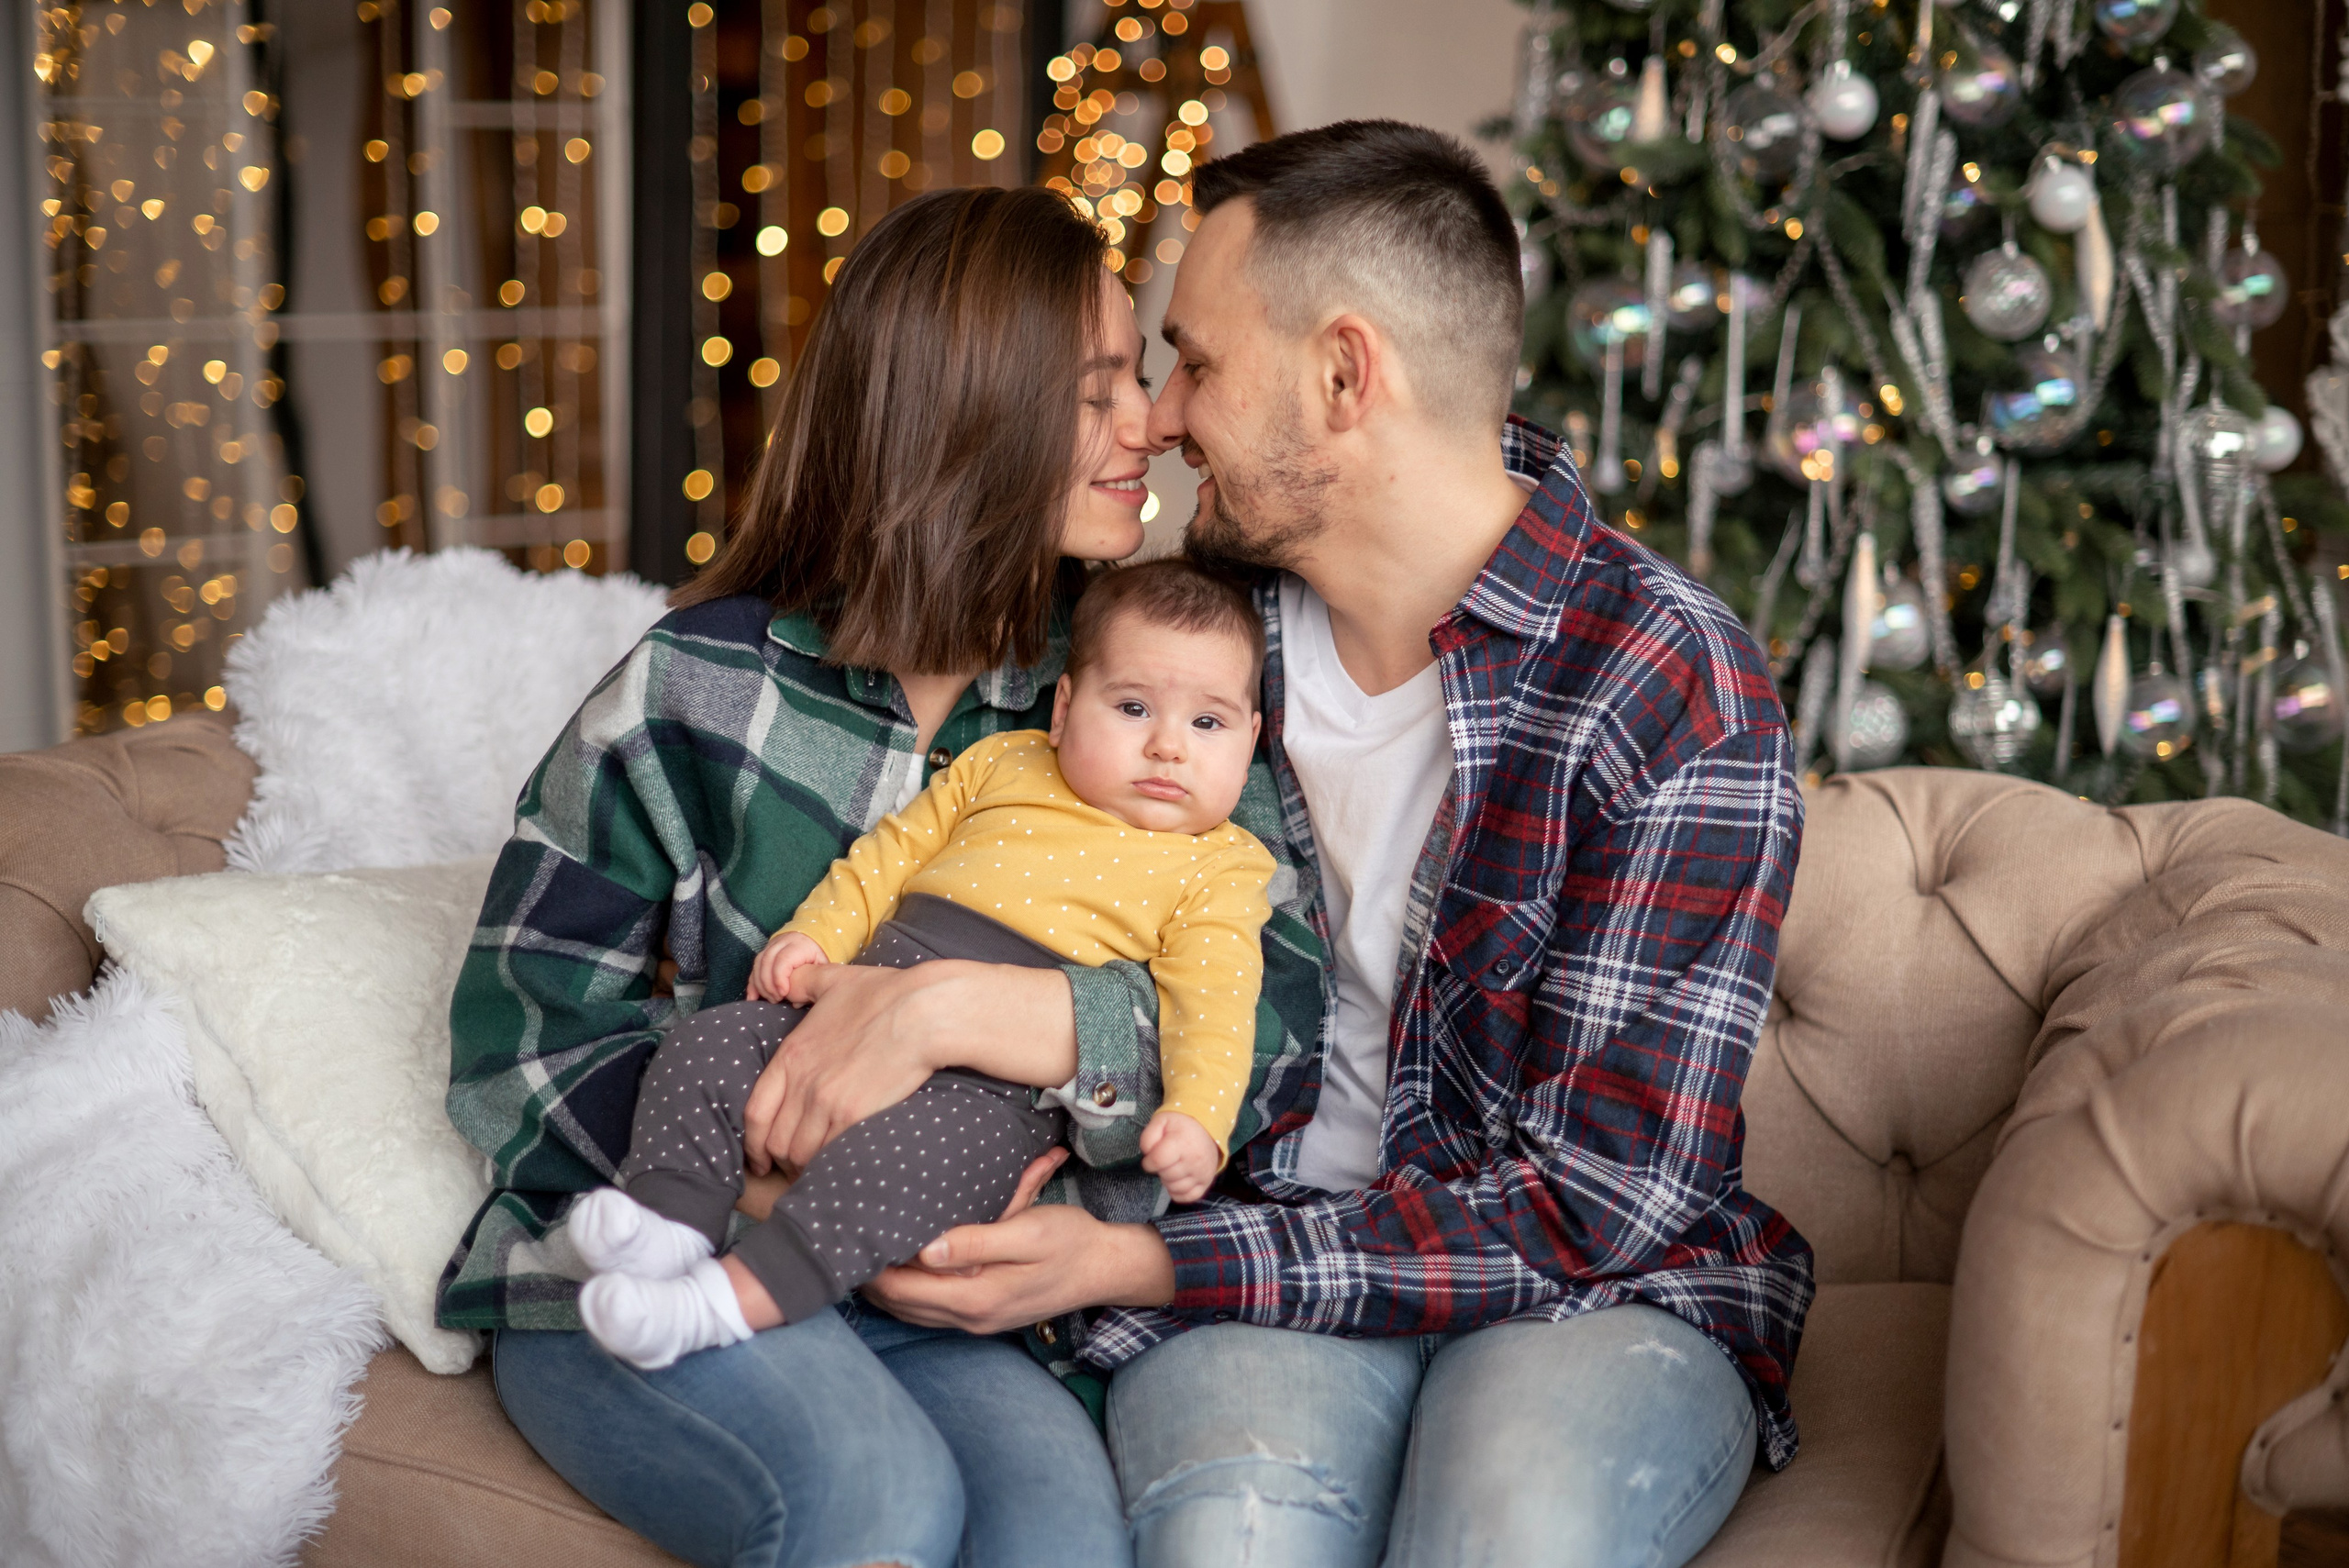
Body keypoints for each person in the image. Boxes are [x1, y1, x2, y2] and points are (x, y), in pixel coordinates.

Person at [859, 121, 1816, 1567]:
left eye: (1195, 362)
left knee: (1510, 1532)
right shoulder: (1172, 652)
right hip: (1260, 1260)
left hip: (1595, 1298)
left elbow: (1603, 1200)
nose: (1162, 417)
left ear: (1345, 376)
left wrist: (1142, 1257)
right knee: (1227, 1537)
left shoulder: (1667, 683)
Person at [440, 185, 1326, 1568]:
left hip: (944, 1303)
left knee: (1060, 1547)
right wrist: (763, 1198)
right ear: (969, 415)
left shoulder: (1149, 690)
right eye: (1097, 392)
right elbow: (524, 1026)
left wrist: (999, 1024)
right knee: (880, 1504)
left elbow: (1274, 1034)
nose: (1151, 424)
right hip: (647, 1261)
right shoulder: (698, 686)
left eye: (1141, 381)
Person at [568, 560, 1276, 1371]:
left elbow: (1215, 1005)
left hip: (992, 1096)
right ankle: (665, 1225)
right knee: (707, 1045)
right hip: (848, 1010)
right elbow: (888, 859)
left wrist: (1197, 1116)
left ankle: (717, 1304)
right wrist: (814, 938)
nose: (1167, 747)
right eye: (1134, 707)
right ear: (1064, 709)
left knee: (891, 1174)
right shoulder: (1003, 763)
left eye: (1208, 723)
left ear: (1251, 740)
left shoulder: (1223, 866)